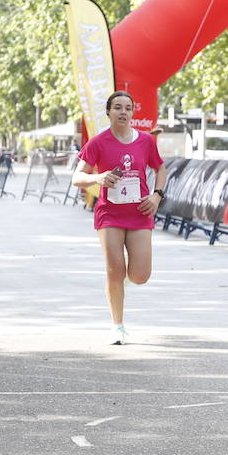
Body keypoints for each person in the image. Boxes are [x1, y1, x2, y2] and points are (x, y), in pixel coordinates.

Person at [70, 91, 165, 345]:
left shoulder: (145, 141)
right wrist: (97, 178)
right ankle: (118, 325)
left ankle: (126, 277)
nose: (123, 112)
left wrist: (157, 196)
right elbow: (77, 177)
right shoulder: (98, 143)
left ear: (132, 112)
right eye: (118, 107)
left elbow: (160, 168)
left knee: (139, 276)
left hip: (140, 212)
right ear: (109, 112)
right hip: (110, 213)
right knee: (115, 270)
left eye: (128, 108)